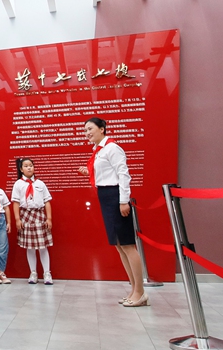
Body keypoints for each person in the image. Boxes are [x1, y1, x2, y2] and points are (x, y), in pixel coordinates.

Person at [78, 116, 147, 307]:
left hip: (116, 196)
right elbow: (105, 173)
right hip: (106, 196)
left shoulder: (113, 148)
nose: (87, 133)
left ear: (102, 129)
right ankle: (134, 289)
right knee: (119, 245)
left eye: (90, 129)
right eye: (85, 130)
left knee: (127, 244)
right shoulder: (99, 151)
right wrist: (89, 171)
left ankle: (140, 292)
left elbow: (123, 175)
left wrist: (123, 201)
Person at [11, 158, 53, 285]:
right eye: (26, 166)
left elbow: (47, 201)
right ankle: (33, 272)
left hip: (39, 215)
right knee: (29, 247)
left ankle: (47, 273)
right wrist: (17, 219)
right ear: (21, 169)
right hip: (26, 215)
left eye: (31, 165)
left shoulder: (40, 183)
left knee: (42, 246)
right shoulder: (18, 184)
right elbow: (16, 202)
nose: (29, 168)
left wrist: (49, 218)